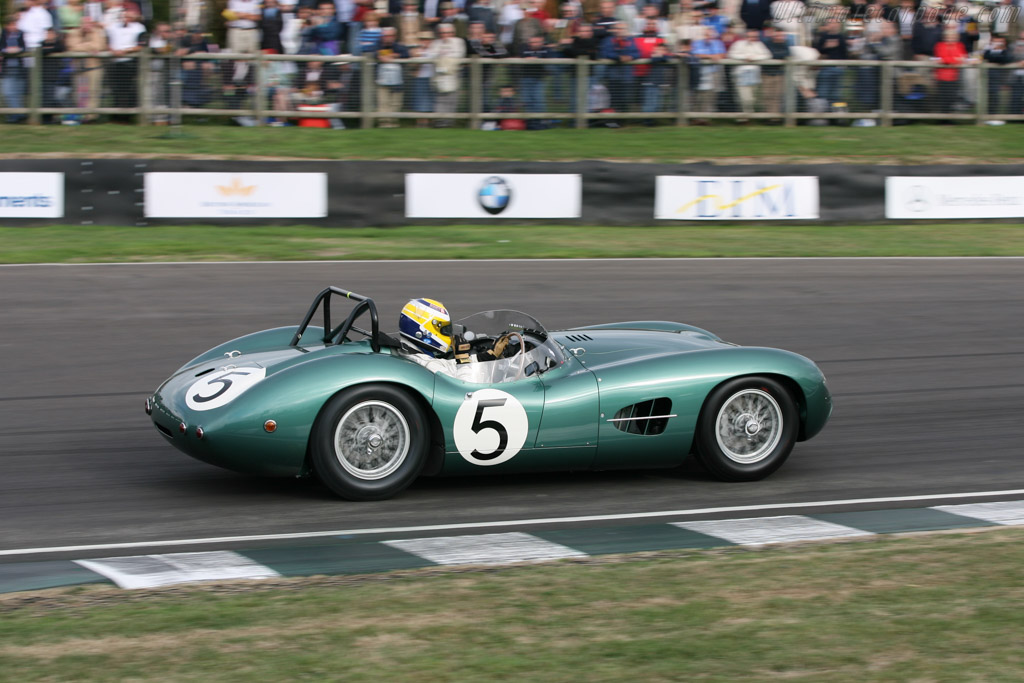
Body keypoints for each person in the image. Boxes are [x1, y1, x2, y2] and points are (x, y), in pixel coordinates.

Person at [66, 16, 106, 122]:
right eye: (84, 23)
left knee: (93, 92)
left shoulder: (98, 32)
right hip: (79, 68)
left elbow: (100, 46)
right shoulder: (74, 33)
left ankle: (91, 117)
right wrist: (89, 46)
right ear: (80, 24)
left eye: (89, 23)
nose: (87, 26)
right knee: (79, 93)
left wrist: (82, 46)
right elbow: (72, 47)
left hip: (94, 67)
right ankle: (81, 115)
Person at [428, 22, 465, 125]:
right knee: (440, 99)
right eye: (443, 33)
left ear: (453, 33)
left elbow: (458, 55)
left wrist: (443, 58)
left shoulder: (458, 42)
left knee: (452, 98)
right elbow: (432, 55)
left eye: (448, 33)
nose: (445, 35)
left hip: (453, 74)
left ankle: (449, 121)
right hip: (439, 75)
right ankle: (439, 120)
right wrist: (444, 58)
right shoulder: (436, 43)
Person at [727, 27, 769, 117]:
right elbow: (731, 54)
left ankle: (750, 115)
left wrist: (754, 58)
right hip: (741, 74)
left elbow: (767, 55)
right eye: (751, 36)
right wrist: (745, 57)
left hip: (754, 74)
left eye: (755, 37)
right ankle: (743, 118)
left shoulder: (759, 44)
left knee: (753, 98)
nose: (753, 39)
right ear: (746, 36)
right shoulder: (738, 44)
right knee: (743, 97)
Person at [375, 25, 408, 126]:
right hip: (381, 80)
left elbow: (406, 53)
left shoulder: (399, 47)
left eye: (390, 35)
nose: (388, 38)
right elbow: (367, 51)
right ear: (382, 36)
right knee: (383, 102)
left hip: (397, 81)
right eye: (385, 36)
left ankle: (393, 122)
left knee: (396, 102)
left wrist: (396, 55)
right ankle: (384, 123)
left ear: (394, 36)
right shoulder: (377, 46)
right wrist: (378, 55)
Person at [933, 27, 965, 117]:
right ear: (945, 37)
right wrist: (955, 59)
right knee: (943, 98)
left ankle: (949, 117)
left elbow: (962, 58)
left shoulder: (959, 46)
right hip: (942, 77)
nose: (951, 39)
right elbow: (942, 58)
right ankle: (943, 118)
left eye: (953, 37)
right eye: (949, 37)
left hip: (954, 76)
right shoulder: (940, 46)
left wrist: (951, 59)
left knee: (952, 97)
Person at [1, 16, 28, 122]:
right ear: (7, 25)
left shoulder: (21, 34)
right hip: (7, 68)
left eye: (15, 24)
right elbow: (2, 48)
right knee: (7, 92)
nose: (13, 26)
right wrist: (8, 50)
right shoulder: (4, 34)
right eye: (11, 24)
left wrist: (16, 50)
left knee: (16, 93)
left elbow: (23, 47)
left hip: (19, 68)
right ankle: (16, 114)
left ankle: (15, 116)